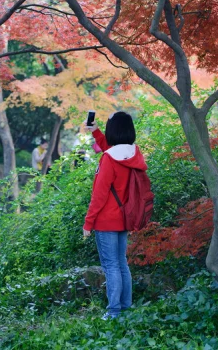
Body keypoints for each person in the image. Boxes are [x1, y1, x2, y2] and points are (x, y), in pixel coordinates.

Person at [83, 111, 148, 320]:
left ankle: (113, 311)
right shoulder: (134, 154)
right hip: (125, 218)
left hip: (106, 220)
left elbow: (99, 195)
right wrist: (95, 132)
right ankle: (126, 307)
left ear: (114, 130)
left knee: (111, 266)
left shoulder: (108, 159)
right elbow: (111, 150)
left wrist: (88, 223)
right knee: (121, 263)